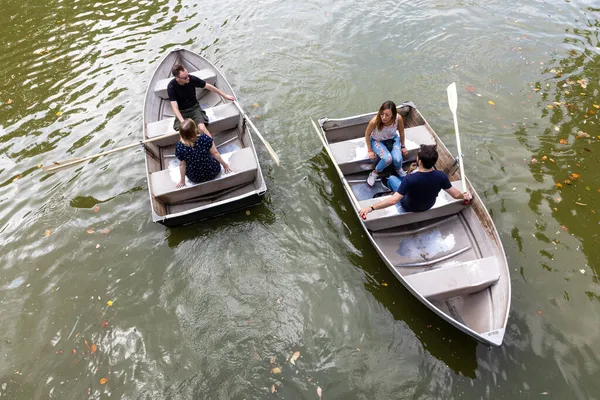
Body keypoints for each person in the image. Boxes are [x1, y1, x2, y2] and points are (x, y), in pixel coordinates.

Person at [359, 144, 472, 218]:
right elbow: (456, 194)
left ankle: (387, 182)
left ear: (420, 161)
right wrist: (465, 196)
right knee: (405, 182)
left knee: (392, 179)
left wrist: (371, 208)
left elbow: (393, 201)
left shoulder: (410, 179)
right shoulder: (441, 176)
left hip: (408, 206)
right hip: (428, 205)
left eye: (418, 156)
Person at [168, 64, 236, 136]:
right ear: (177, 78)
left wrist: (225, 95)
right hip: (182, 112)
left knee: (202, 128)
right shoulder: (171, 87)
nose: (188, 78)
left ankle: (212, 146)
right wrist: (183, 122)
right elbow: (175, 108)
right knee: (185, 133)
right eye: (185, 78)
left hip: (194, 108)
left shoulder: (191, 79)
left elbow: (208, 86)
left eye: (188, 75)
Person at [175, 119, 232, 188]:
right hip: (213, 171)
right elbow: (215, 153)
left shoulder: (180, 147)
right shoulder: (204, 138)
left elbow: (182, 165)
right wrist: (225, 165)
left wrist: (182, 181)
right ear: (195, 129)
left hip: (195, 178)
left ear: (181, 134)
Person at [365, 101, 409, 186]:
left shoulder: (398, 118)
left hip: (392, 138)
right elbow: (367, 134)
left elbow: (402, 132)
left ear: (393, 115)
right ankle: (375, 172)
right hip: (377, 140)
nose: (384, 117)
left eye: (387, 115)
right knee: (387, 159)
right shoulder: (375, 121)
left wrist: (403, 146)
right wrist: (370, 150)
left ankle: (398, 168)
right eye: (382, 114)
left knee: (397, 159)